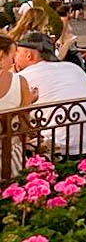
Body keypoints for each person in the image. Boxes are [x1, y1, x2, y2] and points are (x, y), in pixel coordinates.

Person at [14, 32, 86, 155]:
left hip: (58, 145)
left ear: (29, 56)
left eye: (17, 52)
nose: (14, 56)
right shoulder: (73, 67)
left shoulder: (23, 77)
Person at [0, 34, 34, 176]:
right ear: (2, 56)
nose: (14, 61)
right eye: (12, 56)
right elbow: (24, 124)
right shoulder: (19, 81)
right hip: (10, 155)